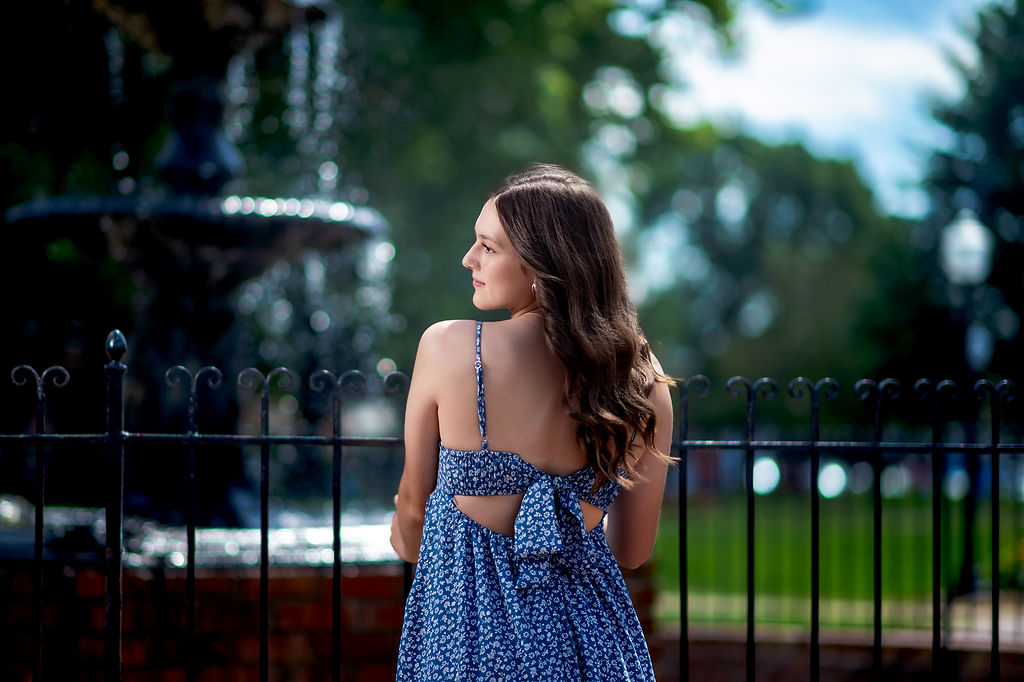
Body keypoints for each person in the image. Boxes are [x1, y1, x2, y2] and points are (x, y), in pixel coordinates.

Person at [390, 163, 674, 681]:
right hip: (595, 646)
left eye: (488, 247)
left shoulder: (450, 348)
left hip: (464, 641)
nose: (468, 258)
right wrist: (573, 508)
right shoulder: (644, 380)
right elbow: (632, 552)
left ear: (543, 267)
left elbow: (413, 514)